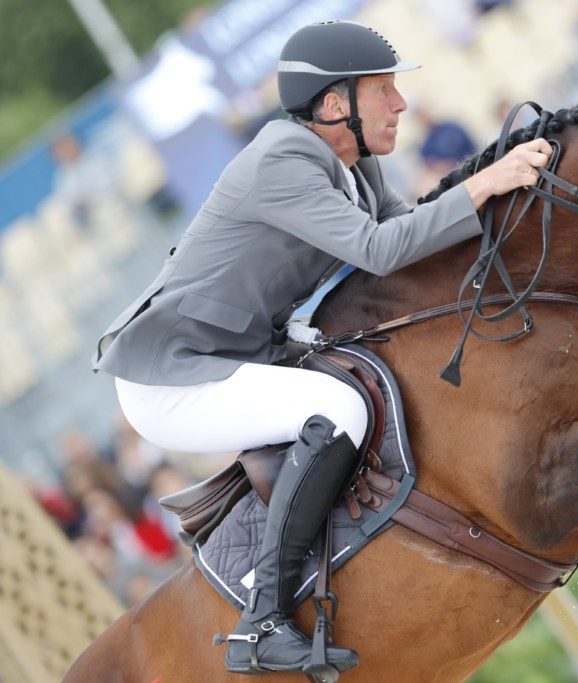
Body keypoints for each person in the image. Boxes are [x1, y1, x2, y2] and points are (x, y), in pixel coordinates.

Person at [91, 20, 552, 677]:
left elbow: (404, 233)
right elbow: (380, 250)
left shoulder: (353, 163)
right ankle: (263, 619)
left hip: (231, 354)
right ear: (335, 104)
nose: (400, 104)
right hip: (170, 378)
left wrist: (499, 195)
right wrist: (486, 181)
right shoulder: (283, 160)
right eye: (384, 90)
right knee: (342, 409)